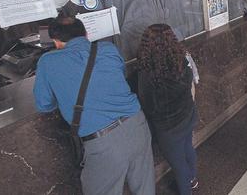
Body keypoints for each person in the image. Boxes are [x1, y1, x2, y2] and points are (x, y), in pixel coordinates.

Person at [33, 17, 155, 195]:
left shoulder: (47, 62)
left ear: (56, 42)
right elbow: (118, 76)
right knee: (145, 188)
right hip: (137, 125)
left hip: (102, 142)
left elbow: (44, 105)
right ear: (86, 34)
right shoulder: (108, 49)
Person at [137, 24, 198, 195]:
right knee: (188, 148)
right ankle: (192, 179)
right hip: (189, 114)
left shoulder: (147, 73)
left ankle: (187, 189)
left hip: (168, 128)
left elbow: (147, 104)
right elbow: (190, 84)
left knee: (178, 164)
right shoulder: (182, 60)